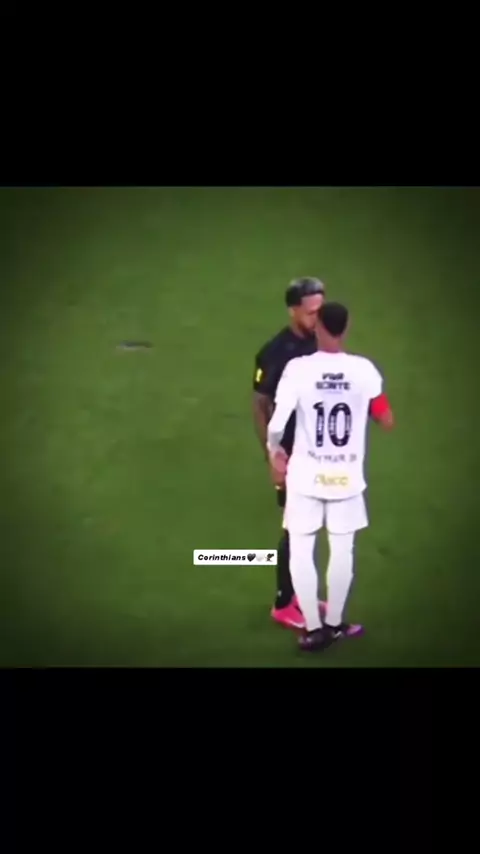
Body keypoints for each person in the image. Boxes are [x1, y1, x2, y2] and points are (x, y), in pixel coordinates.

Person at [267, 301, 394, 652]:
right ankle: (336, 622)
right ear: (346, 328)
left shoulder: (298, 369)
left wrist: (274, 450)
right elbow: (386, 419)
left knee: (301, 550)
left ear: (318, 326)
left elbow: (277, 423)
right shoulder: (364, 370)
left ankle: (313, 627)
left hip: (306, 476)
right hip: (346, 478)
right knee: (342, 551)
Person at [252, 277, 326, 629]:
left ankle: (299, 594)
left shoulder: (319, 341)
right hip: (291, 454)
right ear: (293, 310)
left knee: (310, 527)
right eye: (311, 312)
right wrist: (272, 455)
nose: (317, 317)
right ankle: (283, 603)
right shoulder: (275, 352)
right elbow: (260, 404)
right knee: (296, 529)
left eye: (320, 310)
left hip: (317, 451)